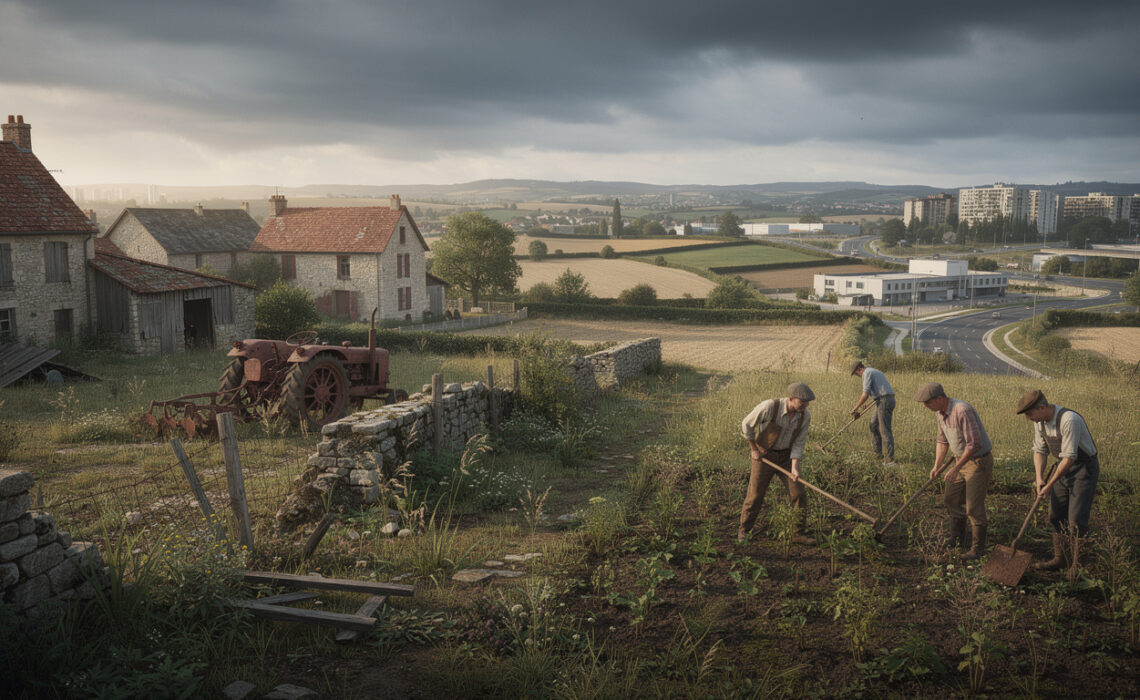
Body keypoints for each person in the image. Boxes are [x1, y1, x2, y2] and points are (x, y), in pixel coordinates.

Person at [1015, 389, 1099, 571]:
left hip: (1083, 469)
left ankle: (1078, 567)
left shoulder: (1069, 419)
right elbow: (1039, 450)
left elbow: (1070, 457)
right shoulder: (1040, 422)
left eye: (1030, 414)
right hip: (1061, 469)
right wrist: (1039, 479)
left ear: (1043, 407)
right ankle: (1060, 559)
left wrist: (1050, 484)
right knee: (1056, 515)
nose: (1029, 418)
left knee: (1076, 520)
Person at [914, 382, 994, 560]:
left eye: (928, 402)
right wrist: (937, 466)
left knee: (973, 507)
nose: (925, 406)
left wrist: (955, 468)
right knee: (951, 499)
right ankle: (957, 539)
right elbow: (942, 441)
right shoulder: (940, 413)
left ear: (940, 398)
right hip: (960, 460)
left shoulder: (962, 410)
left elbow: (974, 444)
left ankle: (977, 549)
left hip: (977, 462)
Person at [738, 382, 817, 546]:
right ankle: (744, 532)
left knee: (799, 494)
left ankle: (798, 533)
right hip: (764, 456)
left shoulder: (804, 415)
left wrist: (794, 467)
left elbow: (799, 443)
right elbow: (746, 424)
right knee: (755, 495)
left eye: (807, 402)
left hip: (787, 458)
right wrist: (754, 449)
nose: (806, 405)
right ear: (791, 399)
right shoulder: (770, 407)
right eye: (802, 402)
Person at [849, 361, 895, 464]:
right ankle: (878, 455)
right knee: (873, 425)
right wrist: (870, 401)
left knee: (885, 430)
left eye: (856, 373)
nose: (857, 376)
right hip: (881, 400)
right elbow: (878, 390)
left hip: (884, 401)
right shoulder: (873, 371)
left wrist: (855, 408)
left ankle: (889, 460)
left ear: (859, 369)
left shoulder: (867, 373)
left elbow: (865, 394)